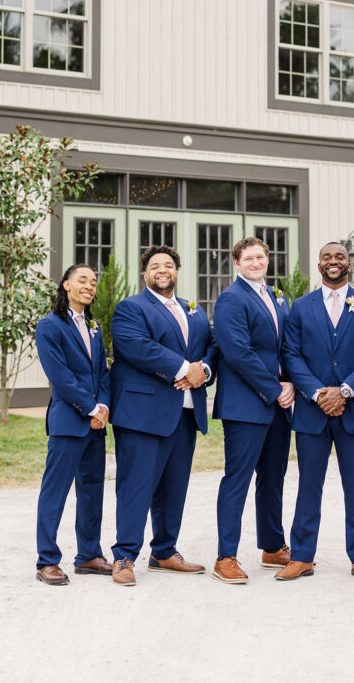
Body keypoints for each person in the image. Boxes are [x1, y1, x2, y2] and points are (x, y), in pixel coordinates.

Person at [109, 244, 216, 587]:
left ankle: (164, 551)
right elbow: (139, 347)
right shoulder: (131, 308)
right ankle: (124, 556)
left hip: (184, 412)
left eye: (168, 265)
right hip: (142, 413)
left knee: (174, 488)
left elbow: (212, 346)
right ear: (145, 274)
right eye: (155, 265)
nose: (162, 269)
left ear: (176, 271)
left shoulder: (194, 310)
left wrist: (205, 369)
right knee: (136, 486)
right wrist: (187, 367)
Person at [277, 242, 354, 582]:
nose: (333, 261)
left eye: (340, 257)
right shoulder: (301, 307)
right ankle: (302, 556)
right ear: (319, 263)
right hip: (312, 410)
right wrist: (317, 392)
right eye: (327, 257)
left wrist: (347, 391)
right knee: (309, 484)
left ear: (348, 265)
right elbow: (290, 354)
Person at [212, 237, 294, 584]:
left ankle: (273, 546)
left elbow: (286, 346)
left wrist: (290, 383)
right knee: (238, 478)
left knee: (273, 476)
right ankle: (225, 556)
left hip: (278, 405)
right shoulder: (231, 299)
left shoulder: (278, 297)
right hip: (245, 404)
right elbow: (238, 353)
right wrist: (275, 389)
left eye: (261, 256)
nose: (256, 262)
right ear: (237, 263)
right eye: (249, 257)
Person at [35, 264, 111, 585]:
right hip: (69, 422)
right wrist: (91, 407)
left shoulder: (94, 326)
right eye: (83, 280)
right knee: (56, 491)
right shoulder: (50, 326)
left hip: (96, 424)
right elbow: (61, 378)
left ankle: (89, 555)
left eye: (94, 282)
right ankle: (47, 560)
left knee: (92, 491)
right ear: (66, 284)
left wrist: (104, 406)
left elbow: (103, 372)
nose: (90, 286)